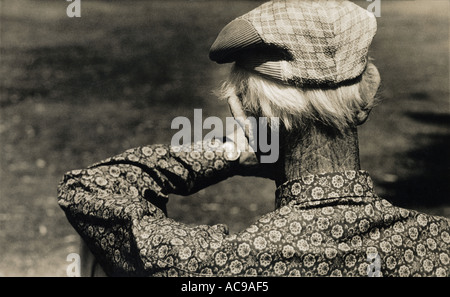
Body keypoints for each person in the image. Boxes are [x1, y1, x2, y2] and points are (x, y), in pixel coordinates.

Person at [58, 0, 449, 277]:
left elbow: (88, 190)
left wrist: (230, 153)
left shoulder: (219, 264)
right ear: (367, 96)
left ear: (244, 114)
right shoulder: (438, 244)